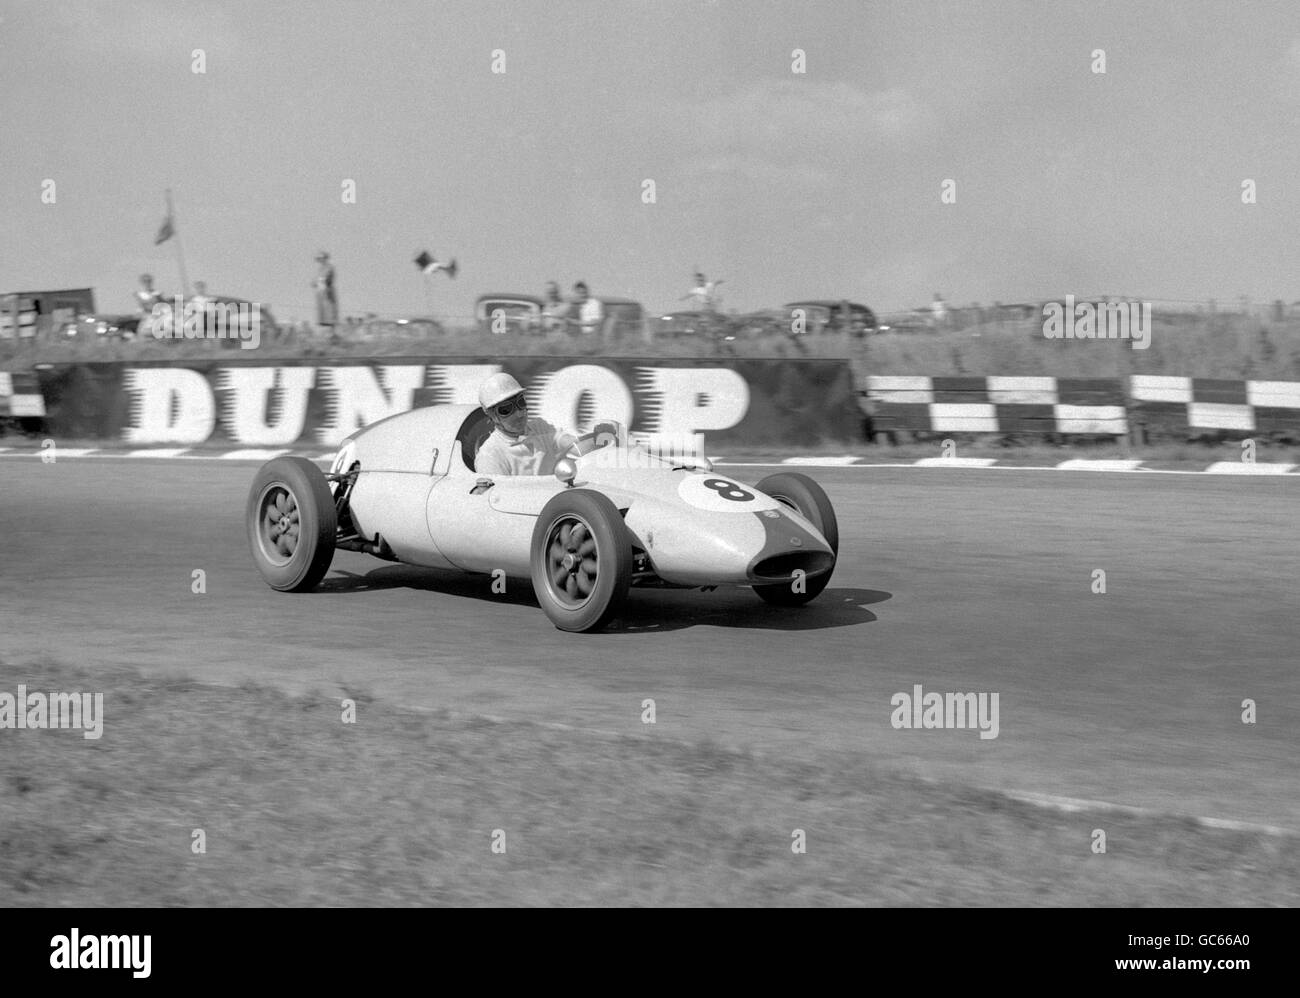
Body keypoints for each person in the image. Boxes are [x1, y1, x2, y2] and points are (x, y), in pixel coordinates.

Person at [475, 373, 576, 476]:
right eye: (506, 409)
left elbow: (572, 444)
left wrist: (590, 443)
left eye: (521, 402)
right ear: (493, 417)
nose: (519, 414)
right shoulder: (490, 457)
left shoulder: (540, 427)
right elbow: (501, 492)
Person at [313, 251, 338, 330]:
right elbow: (318, 279)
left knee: (330, 311)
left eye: (321, 258)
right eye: (319, 259)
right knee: (322, 312)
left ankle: (332, 329)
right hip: (320, 292)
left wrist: (322, 281)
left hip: (327, 291)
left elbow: (327, 278)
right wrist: (315, 283)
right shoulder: (320, 269)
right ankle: (325, 326)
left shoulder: (329, 267)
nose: (320, 261)